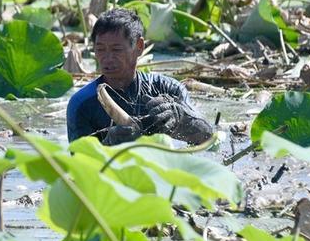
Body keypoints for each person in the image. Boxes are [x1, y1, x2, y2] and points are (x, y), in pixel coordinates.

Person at [66, 8, 213, 145]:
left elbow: (208, 137)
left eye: (116, 49)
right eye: (100, 49)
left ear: (139, 47)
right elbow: (79, 162)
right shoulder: (81, 104)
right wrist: (109, 144)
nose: (107, 58)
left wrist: (180, 118)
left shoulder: (171, 89)